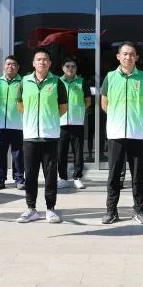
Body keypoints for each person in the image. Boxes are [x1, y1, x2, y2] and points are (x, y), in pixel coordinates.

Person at [100, 42, 143, 224]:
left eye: (131, 54)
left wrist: (134, 118)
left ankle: (139, 211)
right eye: (124, 54)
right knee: (114, 174)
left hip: (137, 133)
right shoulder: (110, 77)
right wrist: (118, 119)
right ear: (118, 57)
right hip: (116, 133)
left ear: (136, 57)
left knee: (138, 175)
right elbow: (104, 103)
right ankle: (111, 211)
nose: (128, 57)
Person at [15, 48, 68, 224]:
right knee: (30, 174)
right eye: (38, 59)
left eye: (45, 59)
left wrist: (49, 119)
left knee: (50, 175)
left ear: (50, 63)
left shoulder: (57, 82)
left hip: (49, 136)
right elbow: (20, 104)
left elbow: (63, 107)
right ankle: (31, 209)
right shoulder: (24, 81)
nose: (42, 62)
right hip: (30, 136)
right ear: (33, 63)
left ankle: (50, 209)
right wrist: (31, 119)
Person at [0, 56, 25, 191]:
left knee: (18, 154)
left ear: (18, 67)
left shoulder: (23, 82)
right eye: (8, 64)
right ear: (4, 66)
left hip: (18, 124)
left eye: (13, 64)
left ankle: (19, 179)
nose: (10, 66)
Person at [58, 57, 92, 190]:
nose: (70, 68)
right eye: (67, 66)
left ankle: (77, 177)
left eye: (73, 66)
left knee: (78, 152)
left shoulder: (82, 82)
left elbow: (87, 101)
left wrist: (79, 111)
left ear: (76, 68)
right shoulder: (58, 81)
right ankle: (63, 178)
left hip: (77, 123)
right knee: (61, 152)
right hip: (60, 123)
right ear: (63, 68)